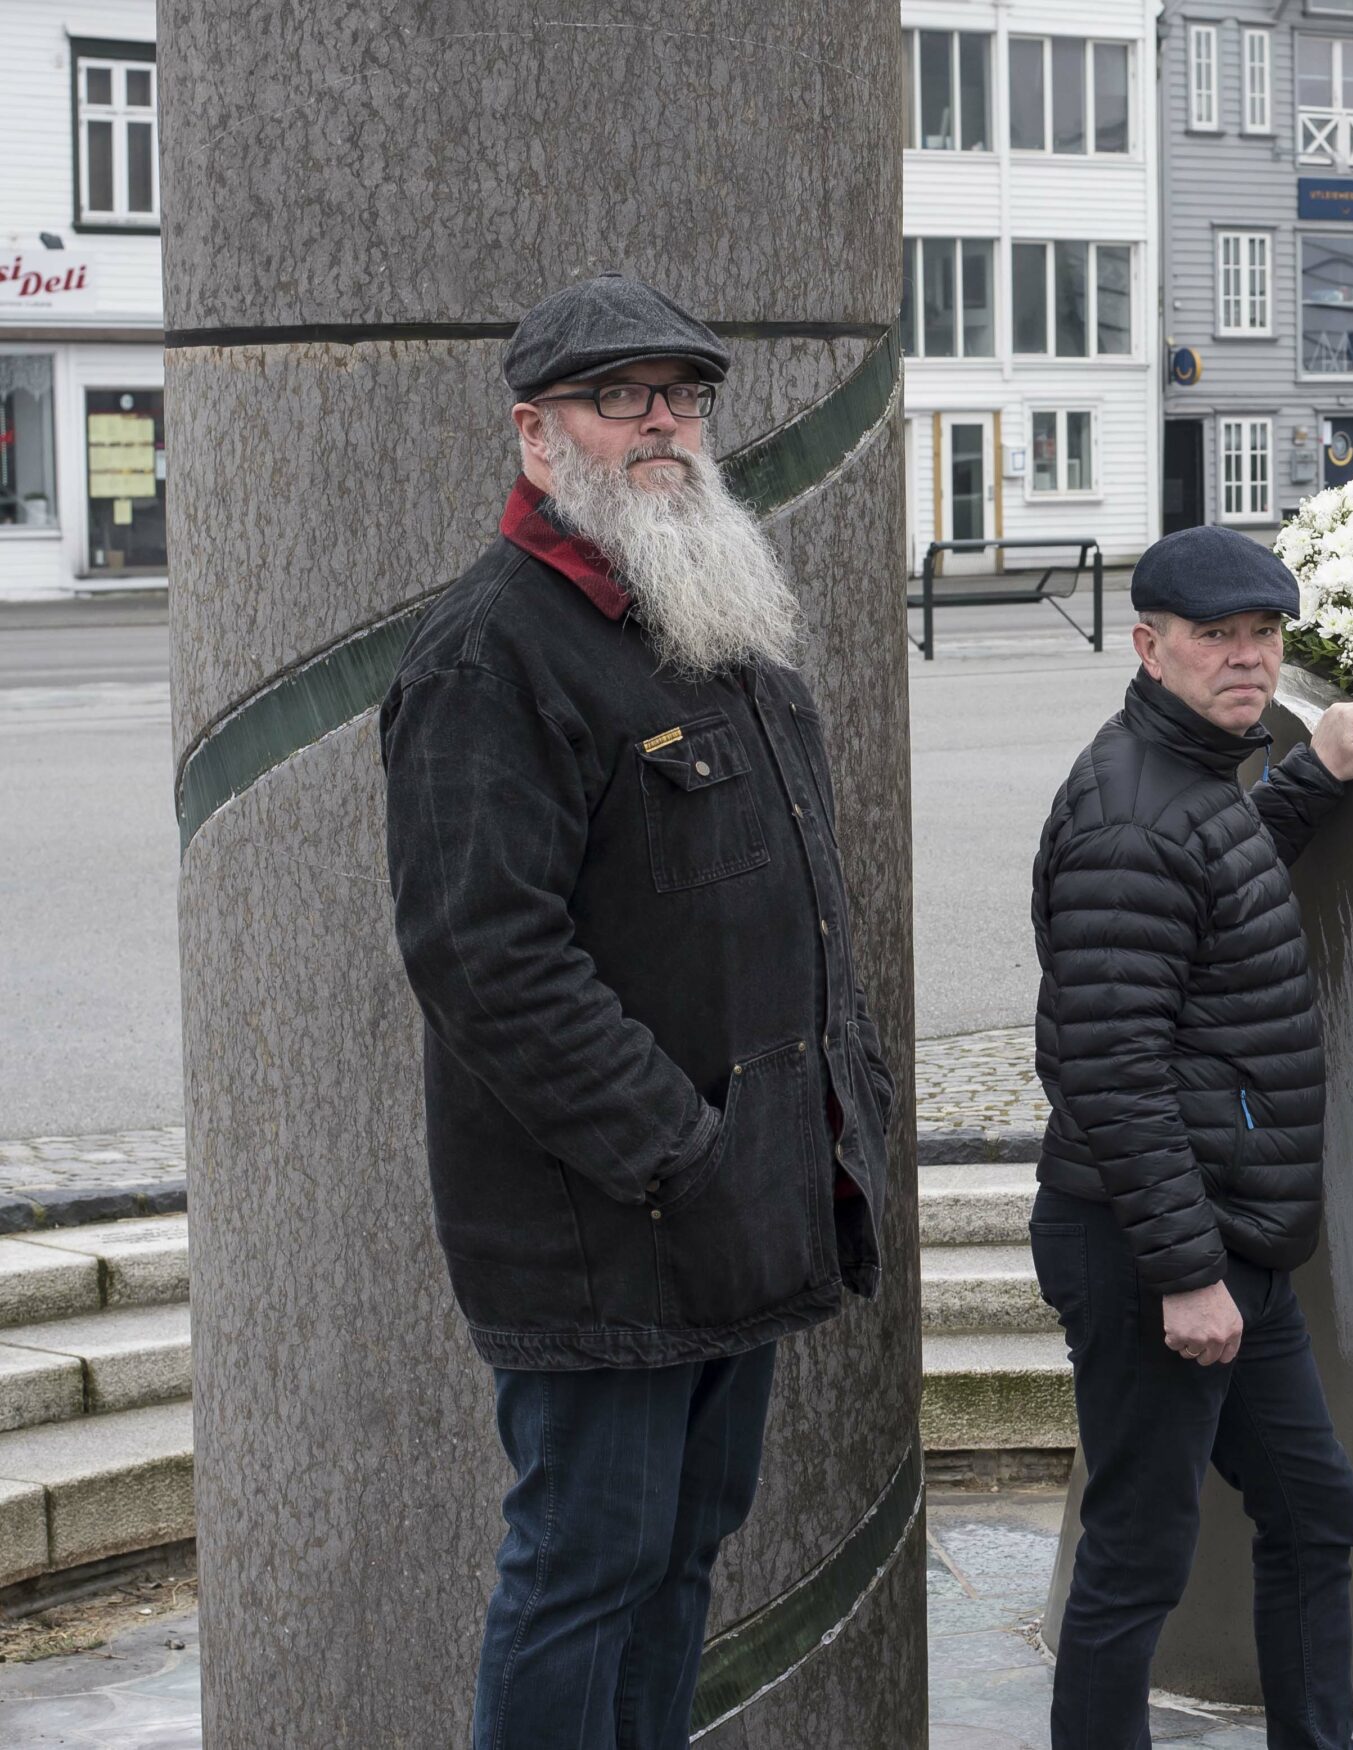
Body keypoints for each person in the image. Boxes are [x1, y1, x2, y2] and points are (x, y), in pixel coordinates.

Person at [380, 273, 895, 1749]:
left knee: (679, 1560)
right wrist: (682, 1151)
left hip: (739, 1205)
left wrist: (806, 1131)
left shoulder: (704, 609)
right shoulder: (493, 650)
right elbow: (485, 954)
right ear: (537, 435)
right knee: (583, 1573)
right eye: (622, 398)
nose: (662, 424)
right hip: (608, 1229)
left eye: (682, 396)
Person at [1029, 524, 1353, 1749]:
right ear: (1147, 645)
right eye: (1214, 638)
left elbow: (1219, 880)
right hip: (1156, 1248)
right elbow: (1110, 1068)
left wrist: (1314, 777)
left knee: (1311, 1508)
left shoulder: (1193, 779)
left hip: (1227, 1232)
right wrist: (1185, 1273)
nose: (1245, 661)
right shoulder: (1130, 812)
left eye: (1262, 637)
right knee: (1138, 1550)